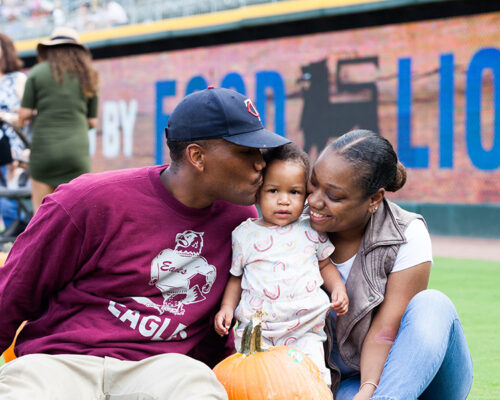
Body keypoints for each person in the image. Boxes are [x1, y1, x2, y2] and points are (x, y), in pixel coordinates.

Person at [0, 87, 290, 398]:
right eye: (246, 152)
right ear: (197, 157)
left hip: (161, 370)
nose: (260, 164)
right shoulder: (86, 200)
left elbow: (215, 331)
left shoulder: (240, 219)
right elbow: (12, 294)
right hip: (61, 363)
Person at [307, 129, 473, 399]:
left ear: (374, 199)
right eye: (313, 183)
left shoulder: (406, 233)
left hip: (405, 375)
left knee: (433, 304)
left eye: (333, 196)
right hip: (339, 382)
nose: (313, 200)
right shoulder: (292, 228)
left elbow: (385, 333)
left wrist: (370, 390)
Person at [214, 143, 348, 385]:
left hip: (303, 329)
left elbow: (325, 264)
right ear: (257, 193)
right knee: (255, 384)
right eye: (273, 191)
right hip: (258, 330)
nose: (284, 201)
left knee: (311, 381)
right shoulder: (244, 234)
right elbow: (236, 277)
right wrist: (226, 308)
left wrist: (338, 288)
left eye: (294, 192)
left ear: (306, 195)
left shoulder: (310, 230)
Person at [18, 26, 99, 213]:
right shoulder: (89, 76)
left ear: (50, 49)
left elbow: (24, 114)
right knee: (75, 214)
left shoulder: (37, 72)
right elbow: (92, 122)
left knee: (41, 216)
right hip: (76, 154)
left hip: (44, 152)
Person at [0, 33, 29, 233]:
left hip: (16, 152)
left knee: (16, 206)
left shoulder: (17, 79)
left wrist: (4, 116)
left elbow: (27, 114)